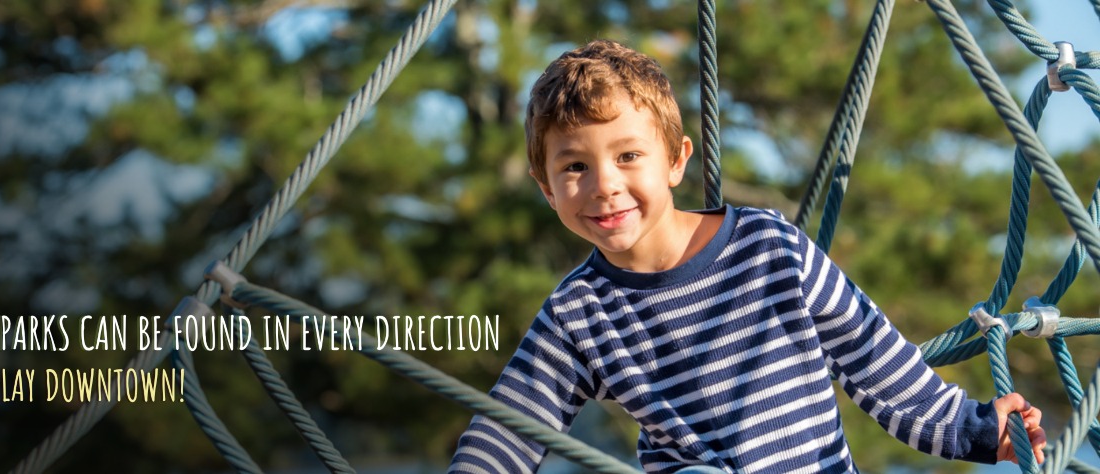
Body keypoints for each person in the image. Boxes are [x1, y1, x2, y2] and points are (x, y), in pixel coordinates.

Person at [447, 39, 1047, 473]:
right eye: (575, 166)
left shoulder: (768, 247)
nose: (604, 184)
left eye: (628, 156)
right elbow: (508, 430)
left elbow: (879, 368)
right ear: (546, 187)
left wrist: (974, 430)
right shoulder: (579, 312)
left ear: (677, 160)